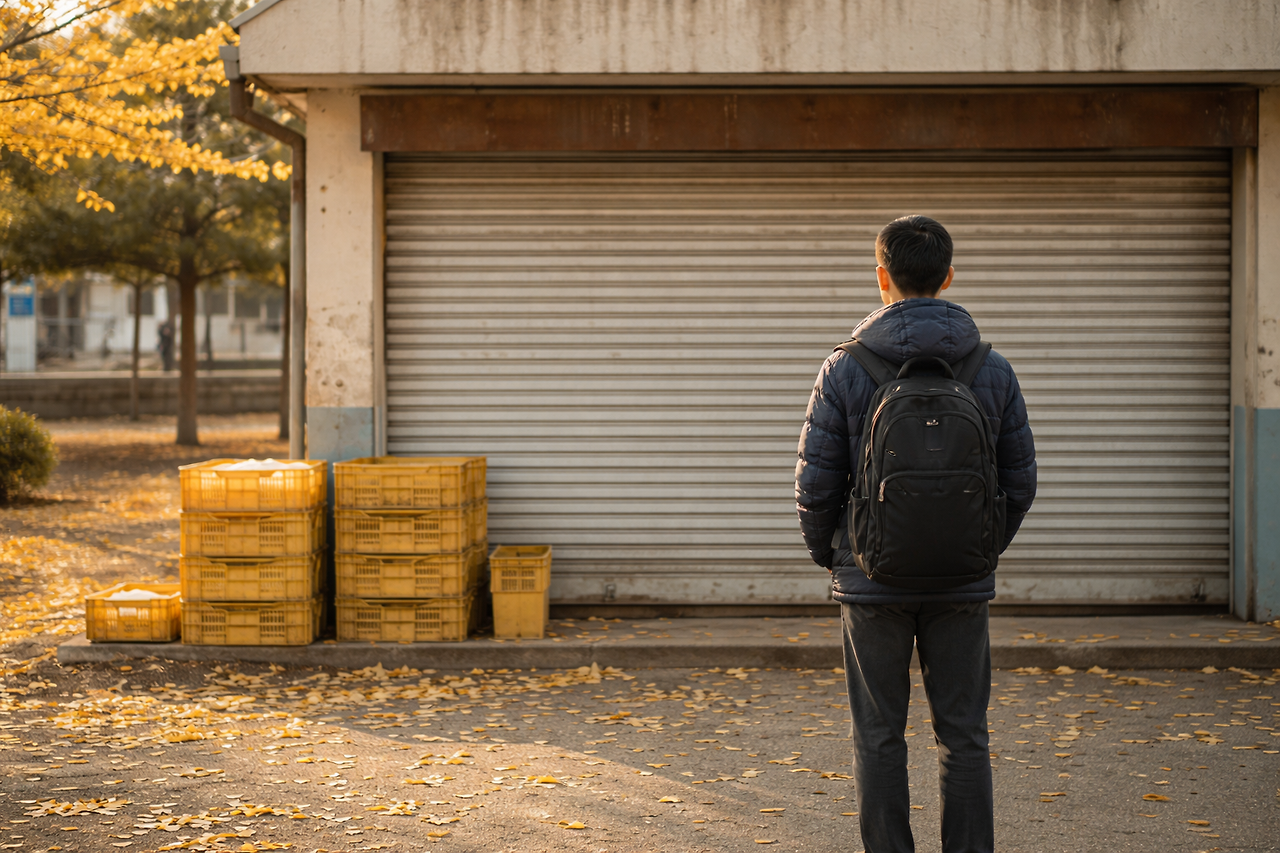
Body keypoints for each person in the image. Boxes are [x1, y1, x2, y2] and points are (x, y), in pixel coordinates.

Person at [795, 215, 1036, 853]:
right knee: (964, 736)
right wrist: (977, 548)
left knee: (878, 735)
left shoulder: (843, 369)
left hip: (870, 581)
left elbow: (816, 485)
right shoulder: (991, 368)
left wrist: (837, 557)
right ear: (949, 277)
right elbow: (1021, 481)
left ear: (882, 279)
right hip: (962, 580)